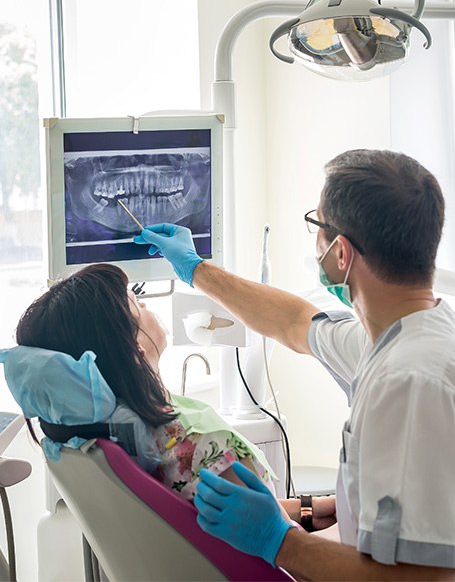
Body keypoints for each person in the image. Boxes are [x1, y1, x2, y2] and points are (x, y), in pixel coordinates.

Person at [133, 149, 455, 580]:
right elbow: (293, 321)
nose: (314, 239)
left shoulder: (410, 381)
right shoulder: (404, 332)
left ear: (342, 253)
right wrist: (196, 270)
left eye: (317, 225)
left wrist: (280, 541)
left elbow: (424, 578)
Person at [1, 262, 331, 525]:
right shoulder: (201, 445)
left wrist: (308, 509)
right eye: (134, 303)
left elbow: (239, 514)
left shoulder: (107, 442)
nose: (144, 304)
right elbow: (282, 549)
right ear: (136, 348)